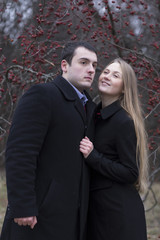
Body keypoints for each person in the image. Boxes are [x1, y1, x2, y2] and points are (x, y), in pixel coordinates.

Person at [0, 41, 98, 240]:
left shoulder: (91, 107)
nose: (91, 70)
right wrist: (22, 205)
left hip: (72, 218)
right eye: (84, 62)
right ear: (64, 65)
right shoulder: (43, 95)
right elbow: (20, 152)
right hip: (38, 216)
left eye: (94, 65)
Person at [80, 58, 149, 240]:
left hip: (118, 215)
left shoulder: (123, 122)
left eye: (116, 75)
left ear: (125, 88)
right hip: (99, 211)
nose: (107, 76)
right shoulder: (94, 114)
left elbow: (131, 172)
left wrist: (93, 156)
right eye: (106, 72)